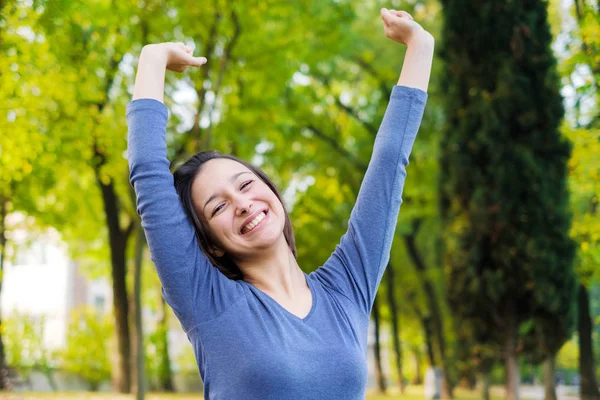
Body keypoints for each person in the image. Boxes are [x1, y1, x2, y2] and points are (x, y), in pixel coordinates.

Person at [127, 8, 433, 400]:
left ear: (272, 193)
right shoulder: (207, 301)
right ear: (212, 244)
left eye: (246, 184)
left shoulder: (347, 287)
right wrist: (152, 60)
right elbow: (148, 171)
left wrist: (420, 46)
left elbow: (390, 163)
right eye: (217, 208)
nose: (241, 203)